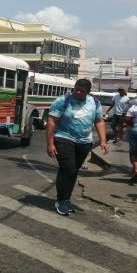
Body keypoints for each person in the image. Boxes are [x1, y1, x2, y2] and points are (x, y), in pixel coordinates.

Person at [46, 79, 108, 216]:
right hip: (63, 138)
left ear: (89, 92)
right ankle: (61, 200)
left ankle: (67, 199)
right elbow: (51, 121)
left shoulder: (95, 102)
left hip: (85, 142)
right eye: (76, 89)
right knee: (67, 168)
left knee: (74, 170)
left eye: (82, 91)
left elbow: (99, 121)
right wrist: (50, 143)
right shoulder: (63, 100)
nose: (78, 92)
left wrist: (103, 141)